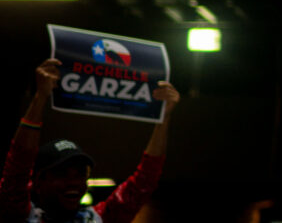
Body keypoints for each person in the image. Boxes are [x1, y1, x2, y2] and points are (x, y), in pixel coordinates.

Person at [0, 59, 180, 223]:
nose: (73, 182)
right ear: (38, 182)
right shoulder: (21, 215)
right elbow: (18, 164)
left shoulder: (98, 219)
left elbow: (143, 182)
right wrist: (40, 97)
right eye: (62, 174)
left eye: (80, 174)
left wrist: (163, 118)